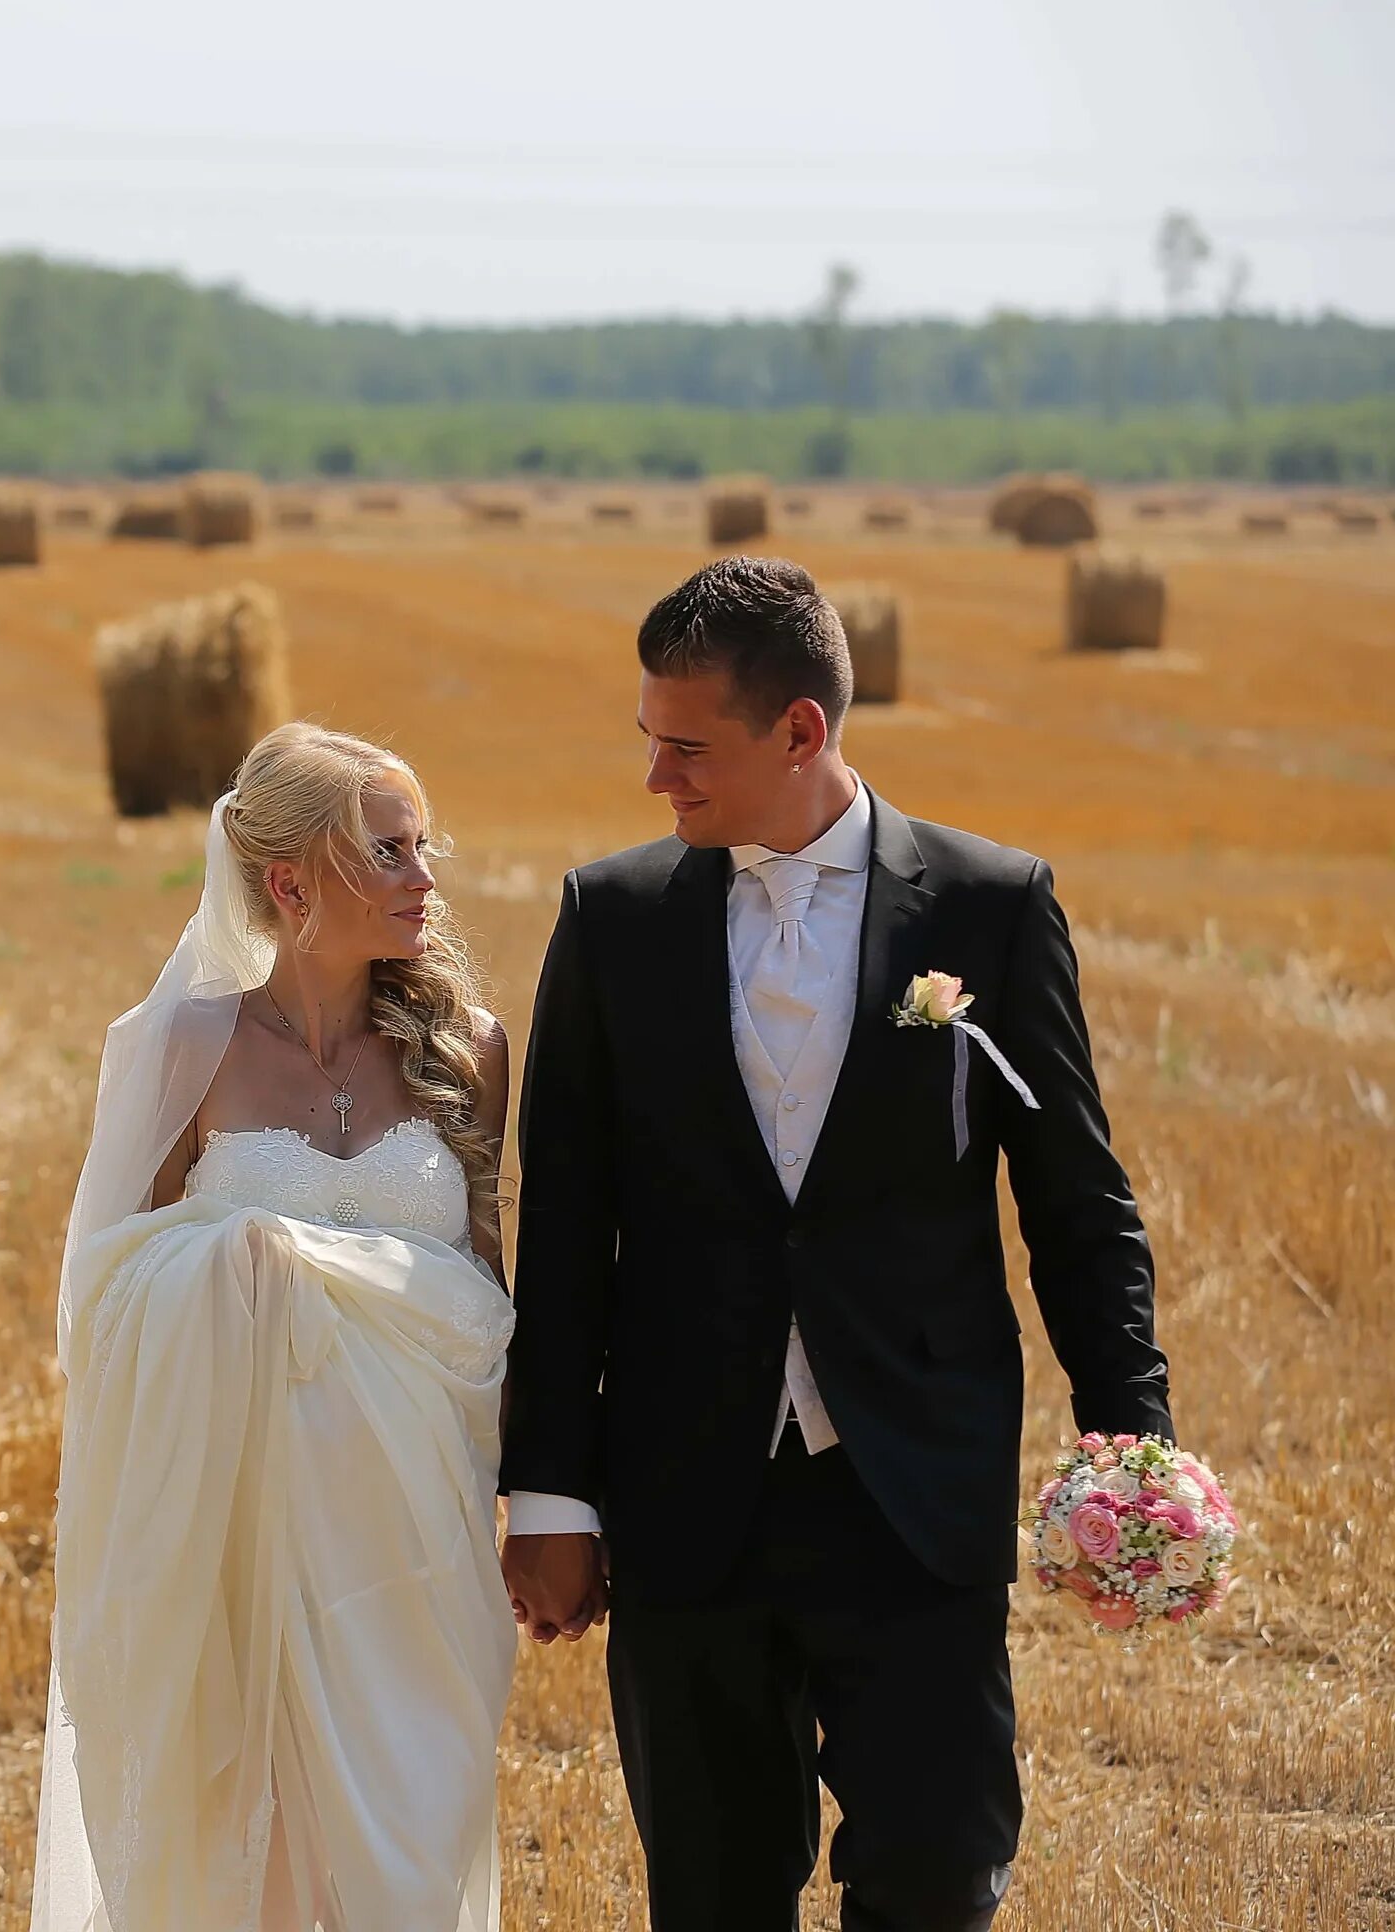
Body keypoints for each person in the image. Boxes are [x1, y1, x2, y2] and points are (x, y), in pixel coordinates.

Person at [499, 556, 1174, 1932]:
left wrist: (1134, 1446)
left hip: (915, 1494)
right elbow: (565, 1225)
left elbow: (1076, 1200)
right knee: (714, 1897)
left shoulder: (990, 906)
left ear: (802, 732)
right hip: (689, 1498)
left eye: (687, 749)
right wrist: (552, 1495)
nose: (656, 780)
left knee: (936, 1878)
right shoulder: (610, 920)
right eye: (650, 743)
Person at [30, 721, 516, 1932]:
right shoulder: (180, 1047)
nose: (424, 879)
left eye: (422, 846)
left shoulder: (469, 1050)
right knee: (241, 1862)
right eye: (389, 852)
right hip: (228, 1532)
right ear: (292, 882)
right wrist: (228, 1263)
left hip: (410, 1535)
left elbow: (491, 1288)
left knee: (407, 1857)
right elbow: (102, 1301)